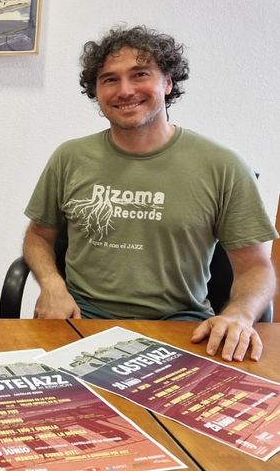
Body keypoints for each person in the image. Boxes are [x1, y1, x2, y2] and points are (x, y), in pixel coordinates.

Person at [23, 26, 277, 361]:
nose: (125, 90)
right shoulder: (69, 158)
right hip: (81, 320)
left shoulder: (223, 166)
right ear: (96, 91)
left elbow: (256, 269)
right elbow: (38, 236)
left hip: (182, 327)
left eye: (140, 75)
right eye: (110, 79)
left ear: (168, 82)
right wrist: (52, 284)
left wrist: (239, 315)